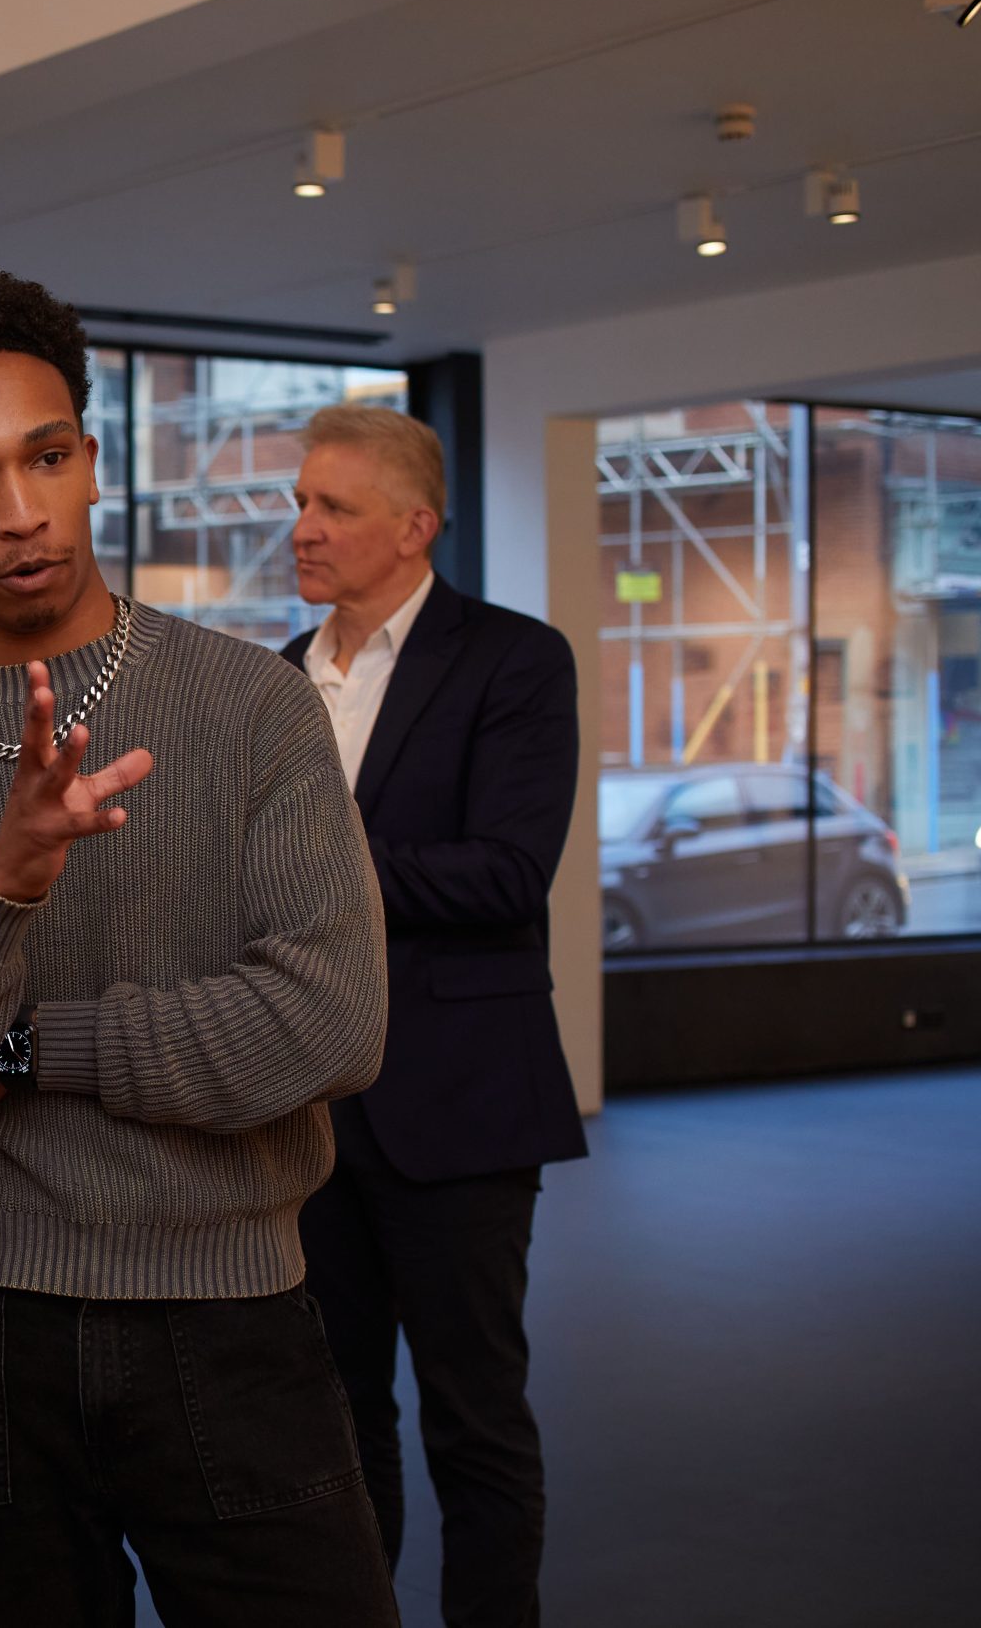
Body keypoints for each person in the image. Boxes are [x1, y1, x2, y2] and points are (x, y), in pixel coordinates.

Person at [0, 269, 401, 1628]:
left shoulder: (252, 705)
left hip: (234, 1310)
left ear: (86, 456)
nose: (19, 511)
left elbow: (333, 1020)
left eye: (46, 456)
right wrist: (2, 886)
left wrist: (19, 1050)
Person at [283, 405, 586, 1628]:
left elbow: (508, 872)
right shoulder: (270, 680)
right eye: (299, 502)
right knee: (335, 1424)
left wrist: (317, 864)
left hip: (459, 1105)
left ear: (415, 527)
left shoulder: (515, 660)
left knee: (475, 1423)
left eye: (332, 508)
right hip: (304, 1112)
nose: (299, 528)